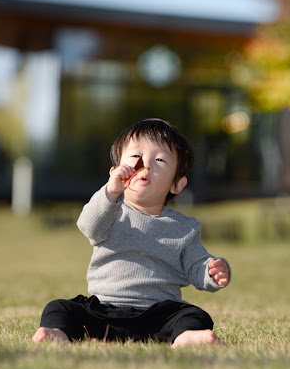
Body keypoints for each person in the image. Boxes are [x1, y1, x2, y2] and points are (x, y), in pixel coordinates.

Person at [32, 118, 231, 347]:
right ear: (115, 171)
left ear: (177, 184)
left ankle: (185, 337)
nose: (146, 164)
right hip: (103, 311)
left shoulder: (184, 227)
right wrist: (110, 192)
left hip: (157, 315)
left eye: (160, 159)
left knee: (196, 316)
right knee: (59, 308)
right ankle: (58, 333)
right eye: (136, 157)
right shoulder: (109, 212)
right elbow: (88, 225)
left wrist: (211, 272)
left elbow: (197, 264)